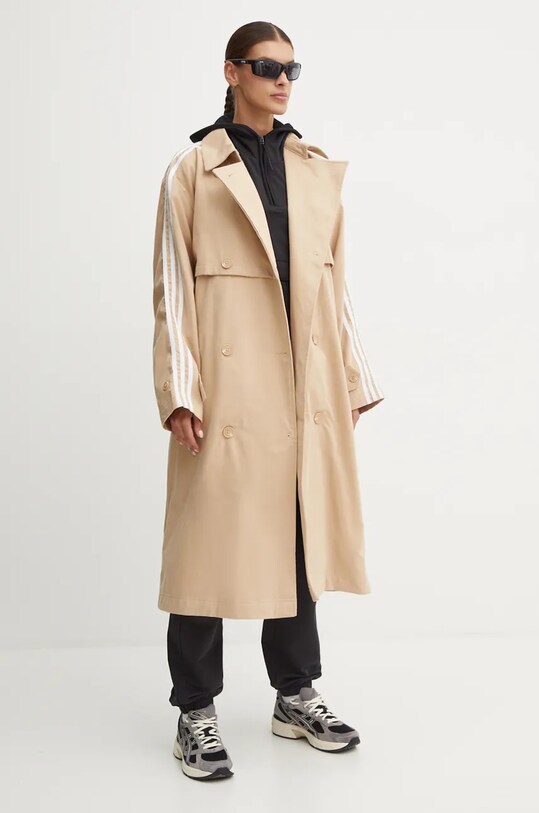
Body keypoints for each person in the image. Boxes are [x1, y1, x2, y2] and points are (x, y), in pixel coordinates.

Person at [151, 21, 385, 781]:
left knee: (298, 538)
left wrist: (352, 380)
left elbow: (335, 283)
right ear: (232, 72)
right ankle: (195, 708)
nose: (282, 81)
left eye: (291, 69)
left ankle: (294, 693)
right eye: (265, 67)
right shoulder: (193, 168)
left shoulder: (312, 167)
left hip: (305, 385)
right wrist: (179, 391)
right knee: (206, 545)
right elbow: (172, 286)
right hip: (227, 387)